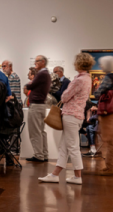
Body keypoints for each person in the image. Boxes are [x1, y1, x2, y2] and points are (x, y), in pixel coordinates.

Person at [39, 53, 95, 185]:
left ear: (78, 63)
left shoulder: (78, 80)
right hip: (77, 115)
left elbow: (64, 97)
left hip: (71, 115)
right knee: (64, 146)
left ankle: (78, 176)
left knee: (73, 147)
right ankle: (55, 174)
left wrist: (64, 93)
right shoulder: (87, 79)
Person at [25, 55, 51, 162]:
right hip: (41, 105)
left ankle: (38, 155)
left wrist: (29, 83)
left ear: (43, 62)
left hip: (36, 105)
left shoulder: (42, 74)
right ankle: (44, 154)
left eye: (37, 61)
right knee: (41, 131)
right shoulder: (46, 74)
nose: (35, 63)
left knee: (35, 131)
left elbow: (29, 86)